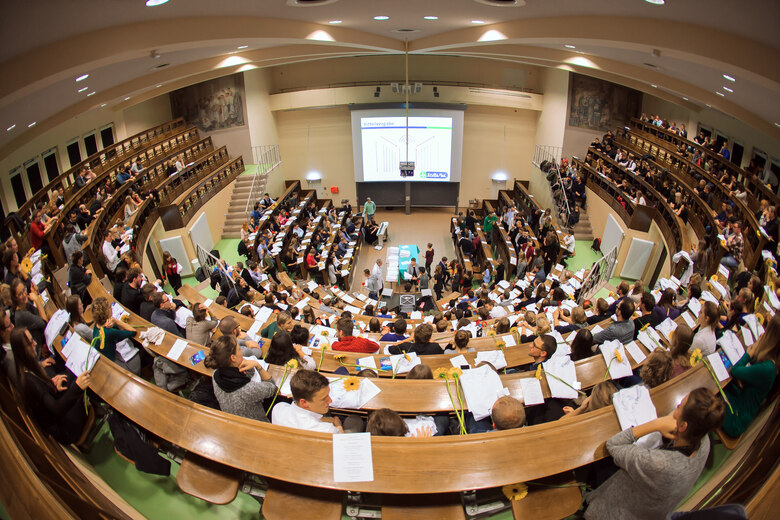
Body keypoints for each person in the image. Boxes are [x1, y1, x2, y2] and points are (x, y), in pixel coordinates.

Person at [584, 387, 725, 520]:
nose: (675, 408)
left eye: (679, 406)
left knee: (599, 457)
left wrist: (656, 424)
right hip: (653, 507)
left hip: (618, 511)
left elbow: (613, 445)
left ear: (682, 426)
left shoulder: (659, 463)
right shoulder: (704, 440)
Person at [10, 328, 91, 444]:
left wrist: (52, 385)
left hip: (57, 417)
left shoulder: (26, 368)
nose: (35, 344)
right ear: (22, 351)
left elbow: (44, 396)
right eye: (30, 343)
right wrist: (77, 387)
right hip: (64, 430)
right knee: (75, 385)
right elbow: (56, 409)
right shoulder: (29, 381)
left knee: (70, 375)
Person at [720, 314, 780, 437]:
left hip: (736, 419)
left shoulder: (768, 368)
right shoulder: (772, 361)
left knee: (710, 391)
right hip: (740, 403)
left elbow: (735, 371)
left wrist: (749, 353)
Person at [205, 335, 276, 422]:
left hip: (232, 420)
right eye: (239, 349)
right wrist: (257, 365)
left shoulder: (215, 374)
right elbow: (272, 387)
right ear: (233, 358)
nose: (241, 351)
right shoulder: (248, 389)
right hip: (256, 425)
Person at [271, 369, 343, 433]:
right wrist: (339, 426)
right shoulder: (328, 430)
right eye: (324, 399)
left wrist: (327, 420)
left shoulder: (278, 409)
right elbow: (343, 446)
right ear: (304, 403)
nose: (330, 400)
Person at [91, 296, 141, 375]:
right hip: (117, 364)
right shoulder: (108, 332)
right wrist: (117, 321)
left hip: (107, 360)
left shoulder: (97, 325)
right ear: (107, 312)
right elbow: (133, 331)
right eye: (109, 307)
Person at [10, 278, 48, 354]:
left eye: (24, 290)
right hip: (39, 351)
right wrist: (37, 299)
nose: (24, 295)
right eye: (20, 294)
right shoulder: (21, 315)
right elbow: (44, 323)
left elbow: (38, 314)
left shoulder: (25, 304)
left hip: (42, 340)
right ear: (15, 298)